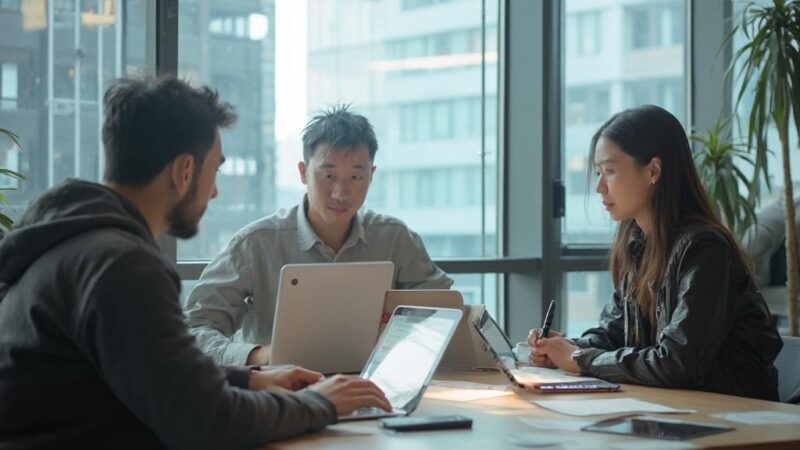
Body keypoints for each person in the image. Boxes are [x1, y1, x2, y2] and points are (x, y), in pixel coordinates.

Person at [0, 76, 390, 450]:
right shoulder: (121, 265)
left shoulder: (77, 243)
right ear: (185, 171)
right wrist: (320, 402)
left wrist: (249, 380)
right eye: (215, 170)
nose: (215, 191)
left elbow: (155, 373)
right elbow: (207, 423)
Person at [528, 105, 783, 401]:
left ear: (653, 171)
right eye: (598, 173)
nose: (599, 187)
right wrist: (563, 348)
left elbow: (675, 363)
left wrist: (579, 359)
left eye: (609, 171)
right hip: (672, 408)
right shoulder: (638, 244)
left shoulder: (705, 248)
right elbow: (613, 334)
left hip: (734, 415)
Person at [185, 104, 453, 366]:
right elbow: (195, 329)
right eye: (328, 175)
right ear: (303, 173)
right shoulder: (255, 244)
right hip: (278, 387)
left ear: (371, 175)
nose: (340, 193)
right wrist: (257, 356)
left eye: (355, 177)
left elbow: (443, 313)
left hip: (373, 383)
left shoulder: (394, 238)